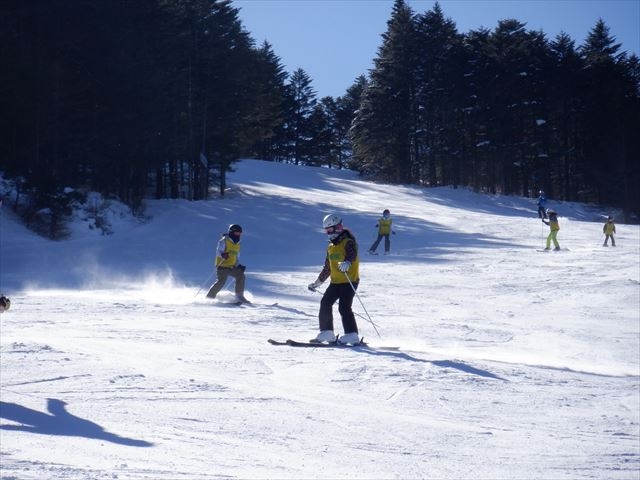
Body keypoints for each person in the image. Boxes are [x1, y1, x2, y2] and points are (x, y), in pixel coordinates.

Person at [307, 214, 360, 345]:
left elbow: (352, 254)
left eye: (329, 230)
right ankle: (327, 332)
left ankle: (352, 335)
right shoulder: (330, 247)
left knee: (344, 307)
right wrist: (318, 283)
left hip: (349, 281)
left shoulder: (348, 242)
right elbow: (327, 267)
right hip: (335, 282)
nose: (327, 233)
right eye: (326, 231)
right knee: (325, 303)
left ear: (338, 227)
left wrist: (347, 262)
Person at [206, 224, 249, 303]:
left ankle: (239, 297)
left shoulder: (238, 243)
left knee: (241, 276)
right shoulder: (224, 240)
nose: (238, 235)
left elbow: (236, 256)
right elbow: (218, 251)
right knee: (221, 282)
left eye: (240, 233)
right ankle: (209, 297)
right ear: (232, 232)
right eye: (237, 233)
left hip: (232, 266)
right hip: (222, 265)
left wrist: (238, 265)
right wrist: (223, 254)